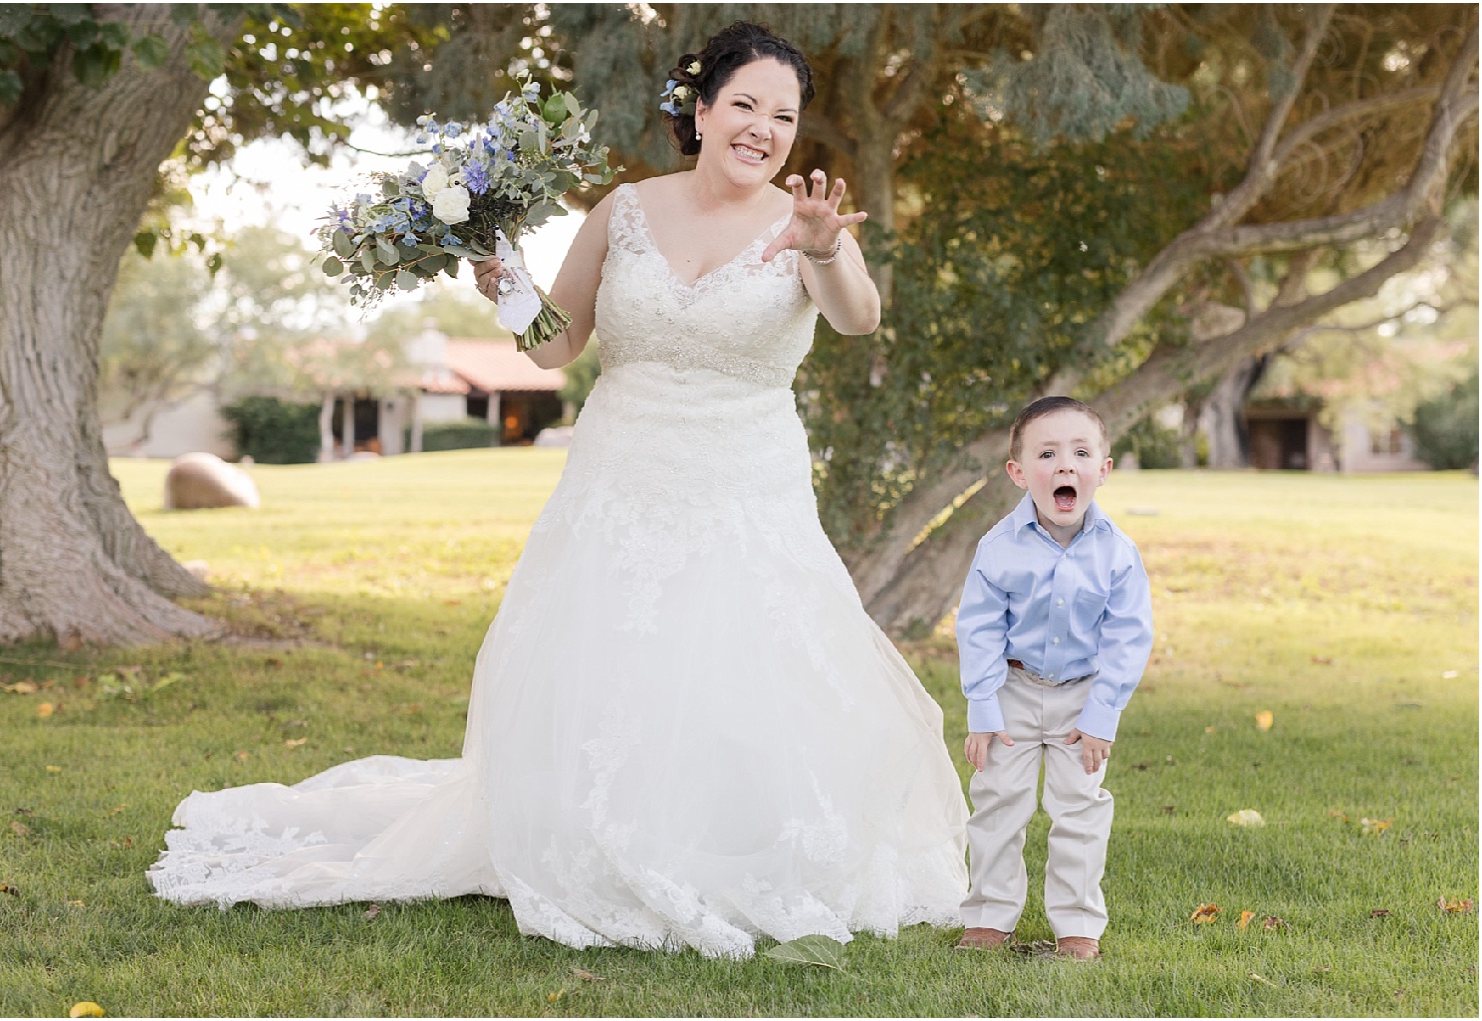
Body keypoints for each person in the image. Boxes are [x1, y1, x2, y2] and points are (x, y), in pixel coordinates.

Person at [149, 22, 970, 960]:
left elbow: (859, 320)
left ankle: (735, 834)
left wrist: (823, 251)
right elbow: (555, 343)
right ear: (700, 112)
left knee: (746, 653)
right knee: (613, 650)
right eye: (744, 104)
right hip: (620, 471)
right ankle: (595, 828)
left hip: (746, 475)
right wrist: (509, 290)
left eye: (784, 116)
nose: (763, 128)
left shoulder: (807, 221)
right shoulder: (624, 210)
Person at [952, 396, 1153, 960]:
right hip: (1012, 692)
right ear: (1019, 473)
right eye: (1047, 454)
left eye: (1081, 453)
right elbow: (979, 631)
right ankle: (990, 918)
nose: (1065, 465)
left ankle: (1077, 928)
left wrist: (1102, 716)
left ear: (1103, 471)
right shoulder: (998, 548)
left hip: (1083, 696)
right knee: (997, 804)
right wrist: (983, 711)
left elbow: (1128, 638)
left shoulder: (1117, 554)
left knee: (1080, 811)